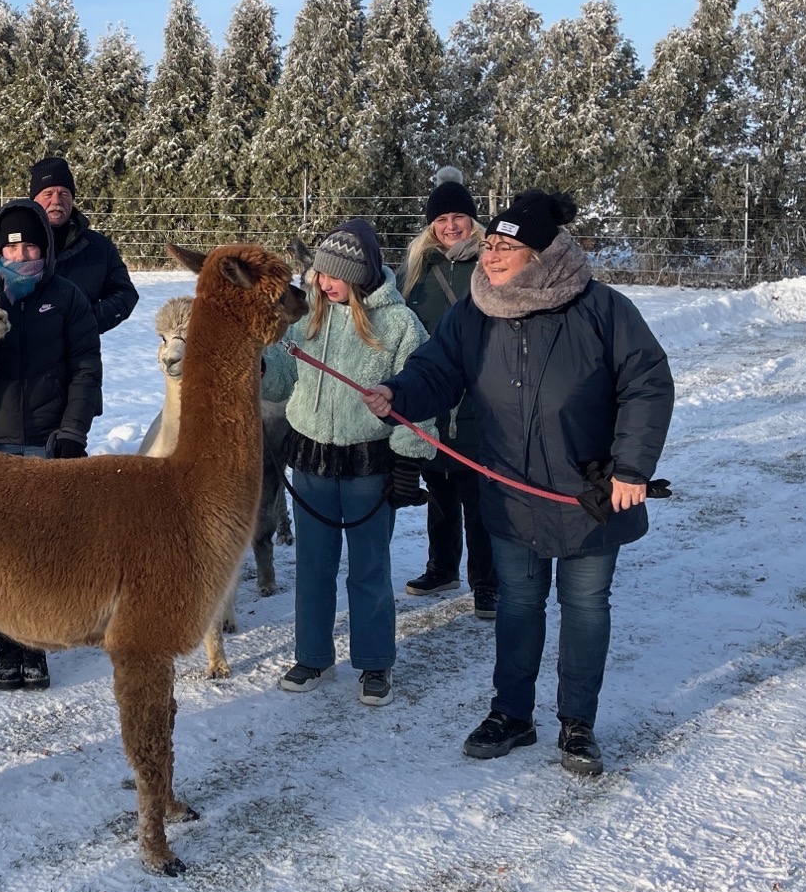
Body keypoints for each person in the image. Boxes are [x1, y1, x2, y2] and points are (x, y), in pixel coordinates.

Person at [364, 189, 674, 775]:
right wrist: (398, 394)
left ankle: (577, 723)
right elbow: (438, 369)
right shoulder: (474, 312)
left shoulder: (602, 309)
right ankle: (512, 714)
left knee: (584, 605)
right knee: (519, 604)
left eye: (507, 247)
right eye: (492, 246)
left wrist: (632, 468)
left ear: (543, 253)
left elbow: (647, 384)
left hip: (589, 492)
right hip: (510, 485)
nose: (493, 256)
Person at [260, 219, 433, 706]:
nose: (323, 281)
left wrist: (409, 463)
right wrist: (260, 365)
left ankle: (375, 661)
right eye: (320, 272)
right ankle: (312, 655)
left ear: (361, 275)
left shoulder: (399, 325)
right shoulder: (310, 317)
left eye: (334, 275)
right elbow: (283, 380)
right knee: (313, 566)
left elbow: (421, 399)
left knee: (368, 568)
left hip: (368, 465)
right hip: (311, 459)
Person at [0, 197, 103, 690]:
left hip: (49, 441)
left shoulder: (67, 298)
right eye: (11, 246)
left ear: (45, 246)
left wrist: (73, 431)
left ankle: (38, 646)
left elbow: (87, 370)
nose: (22, 253)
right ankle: (9, 646)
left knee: (44, 548)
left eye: (30, 244)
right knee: (3, 552)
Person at [399, 166, 497, 617]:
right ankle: (442, 566)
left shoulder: (491, 262)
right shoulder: (418, 268)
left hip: (481, 392)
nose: (450, 225)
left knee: (477, 494)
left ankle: (486, 581)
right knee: (437, 483)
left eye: (458, 216)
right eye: (441, 219)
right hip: (433, 392)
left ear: (472, 220)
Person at [27, 157, 139, 336]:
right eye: (48, 194)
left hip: (80, 355)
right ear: (34, 199)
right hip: (22, 356)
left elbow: (125, 294)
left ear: (72, 198)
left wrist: (88, 321)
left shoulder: (99, 248)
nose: (56, 201)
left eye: (64, 193)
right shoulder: (10, 245)